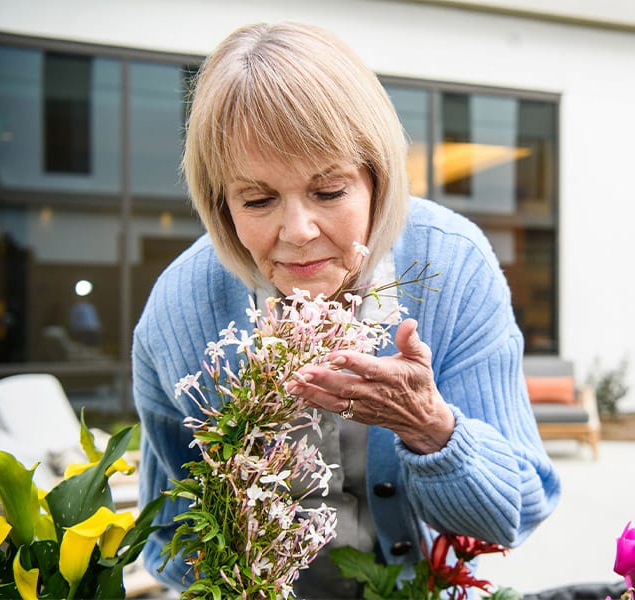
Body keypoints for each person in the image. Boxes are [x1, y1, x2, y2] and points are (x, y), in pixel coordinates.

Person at [132, 21, 561, 597]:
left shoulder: (451, 267)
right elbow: (166, 535)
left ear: (377, 179)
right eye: (257, 199)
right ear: (220, 204)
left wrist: (431, 430)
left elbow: (518, 511)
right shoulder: (180, 309)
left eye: (329, 191)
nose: (298, 231)